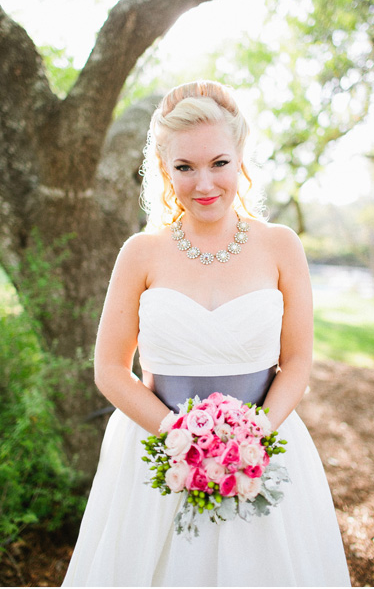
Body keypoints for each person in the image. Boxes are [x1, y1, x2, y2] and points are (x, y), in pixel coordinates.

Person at [62, 80, 350, 586]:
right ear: (163, 169)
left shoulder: (282, 247)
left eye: (219, 162)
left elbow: (298, 361)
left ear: (241, 158)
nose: (204, 183)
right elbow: (109, 370)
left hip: (264, 448)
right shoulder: (140, 253)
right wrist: (180, 436)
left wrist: (251, 437)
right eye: (185, 167)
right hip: (156, 454)